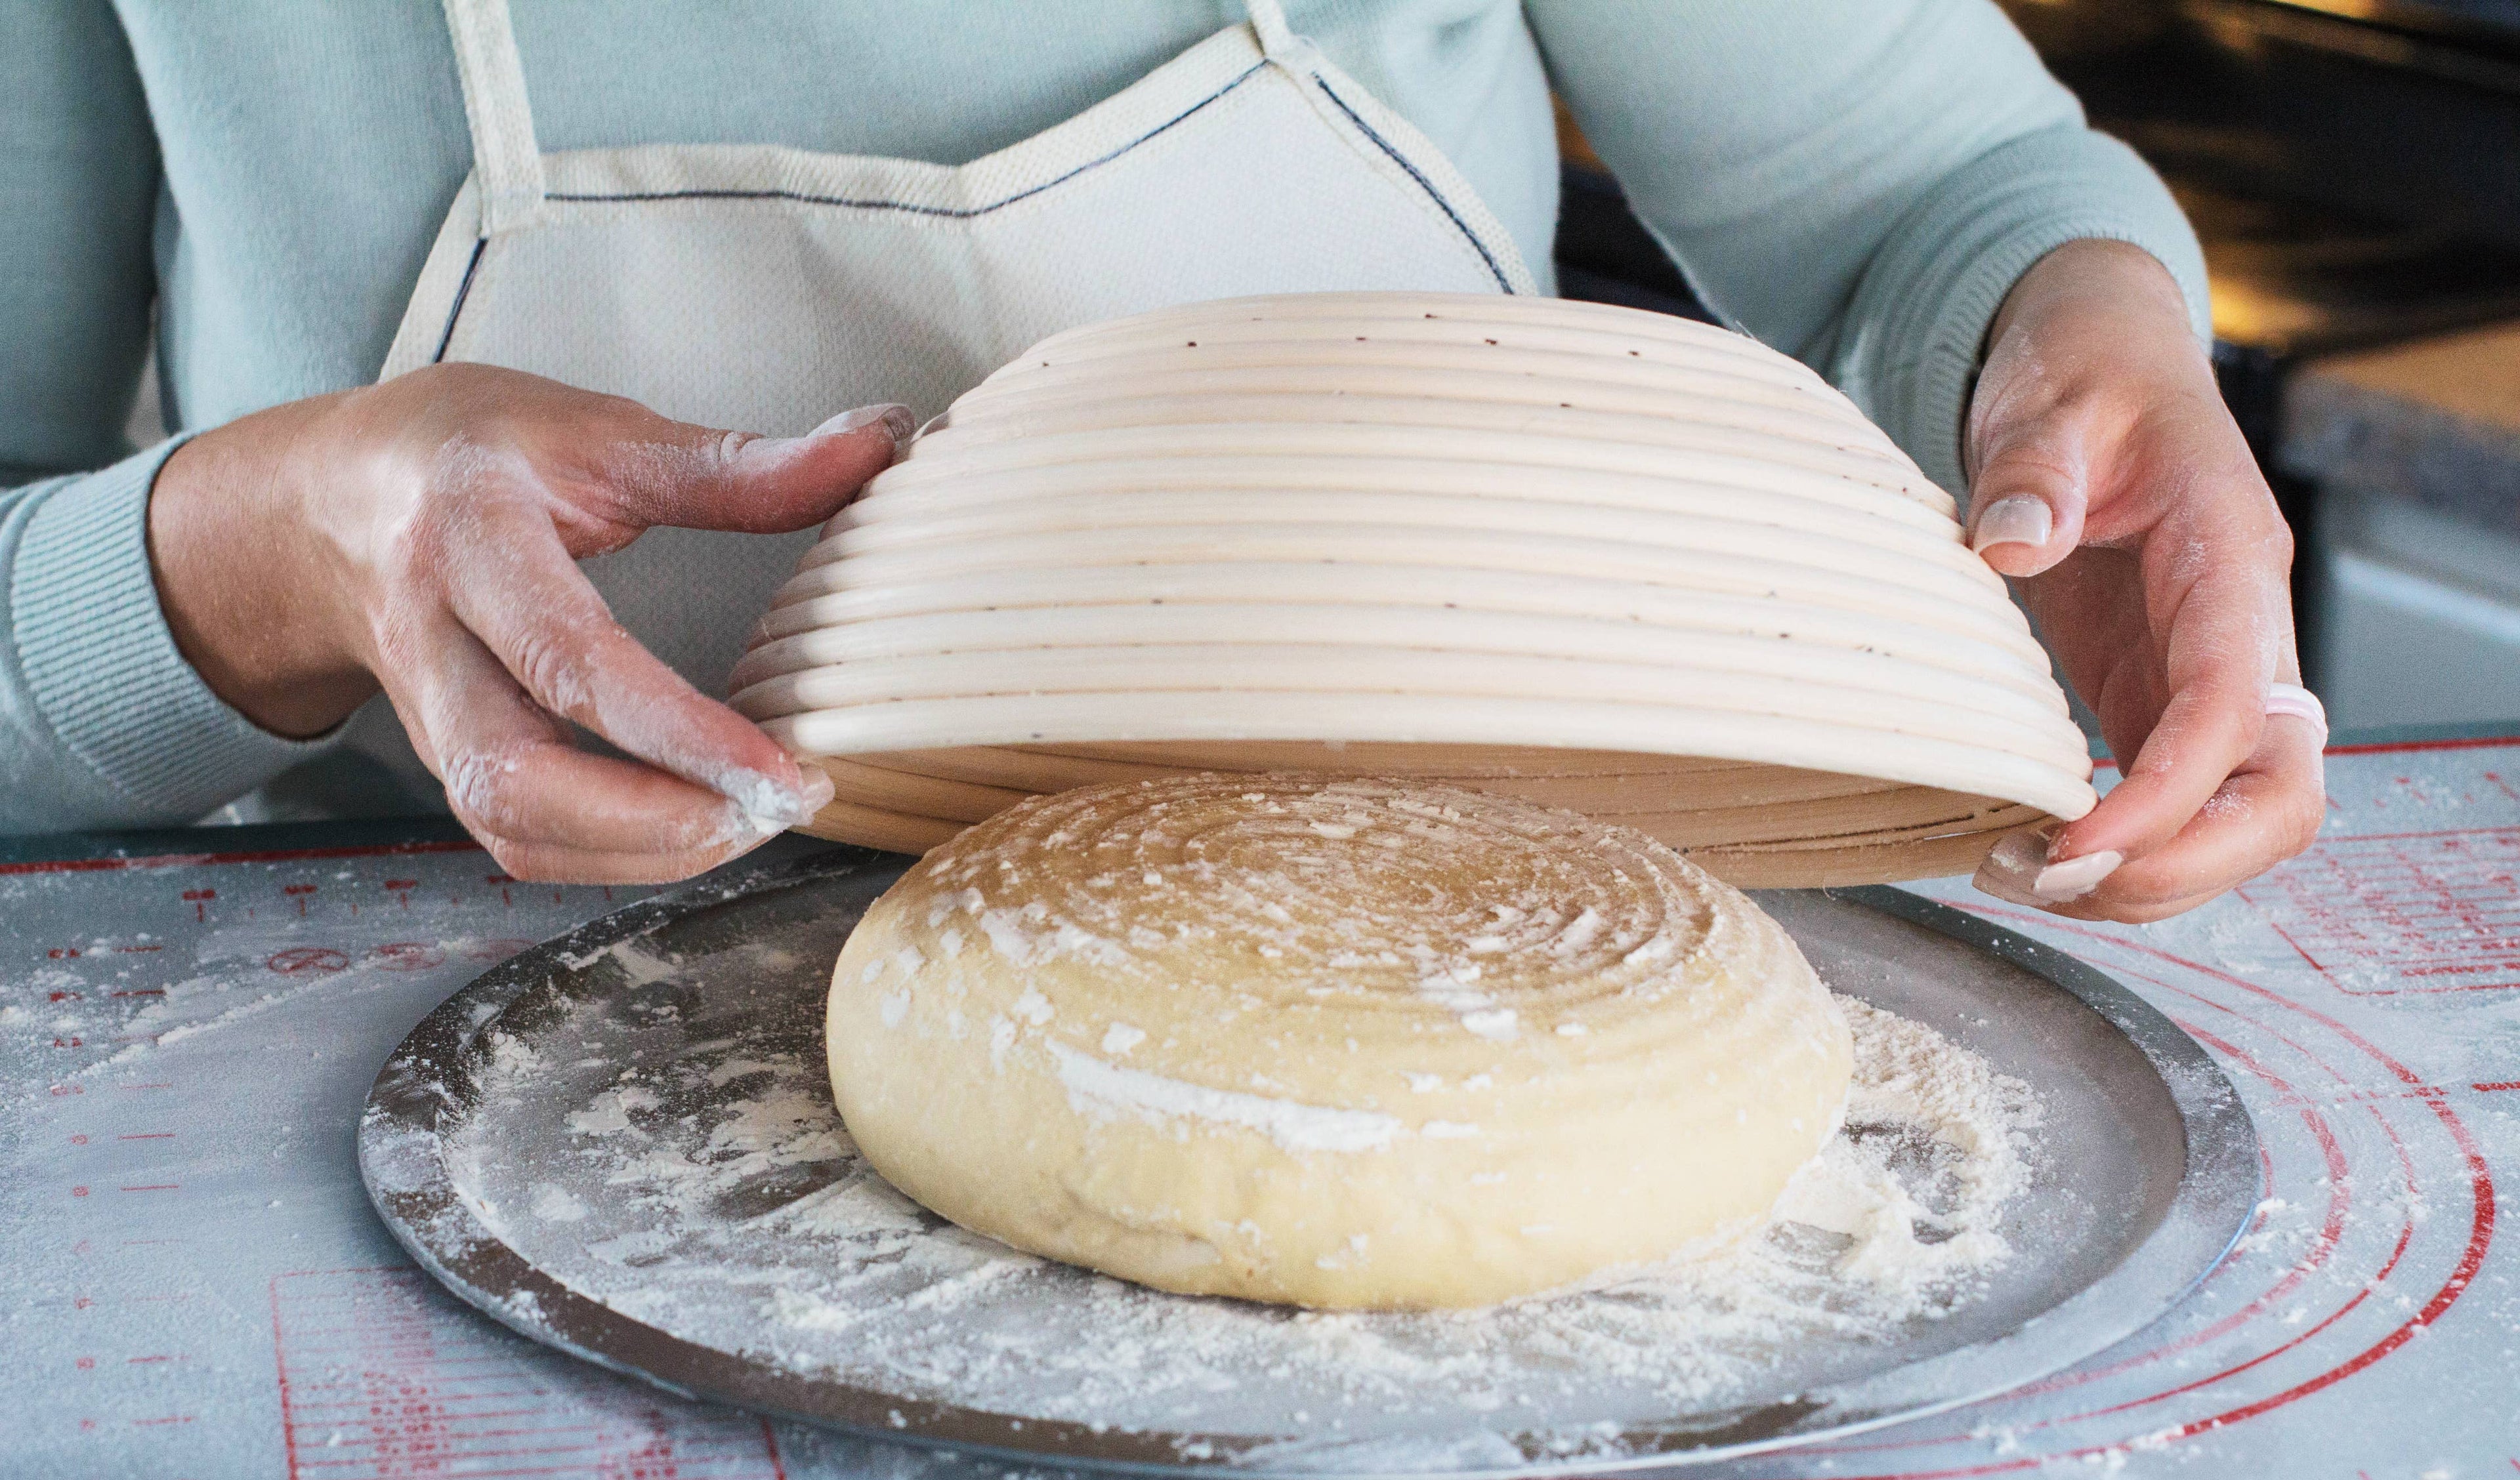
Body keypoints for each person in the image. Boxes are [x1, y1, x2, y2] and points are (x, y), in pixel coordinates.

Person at [3, 0, 2319, 921]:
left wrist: (2089, 359)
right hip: (434, 1105)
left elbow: (1938, 200)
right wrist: (268, 555)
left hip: (1471, 994)